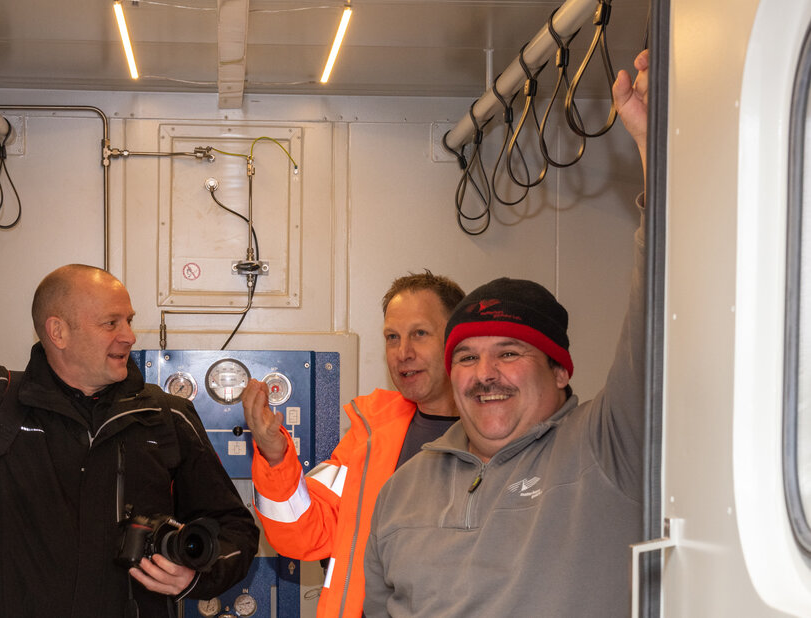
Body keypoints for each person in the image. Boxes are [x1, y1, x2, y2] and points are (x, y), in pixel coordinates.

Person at [0, 160, 259, 618]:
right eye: (111, 322)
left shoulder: (165, 418)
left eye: (129, 320)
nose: (129, 336)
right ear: (58, 331)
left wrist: (198, 575)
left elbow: (236, 531)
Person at [362, 49, 651, 617]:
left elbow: (660, 313)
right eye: (465, 356)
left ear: (560, 369)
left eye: (510, 353)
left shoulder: (608, 446)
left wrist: (661, 154)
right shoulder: (405, 486)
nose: (483, 375)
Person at [241, 271, 465, 618]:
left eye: (420, 334)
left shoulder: (496, 435)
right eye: (392, 337)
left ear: (456, 340)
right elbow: (303, 534)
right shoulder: (372, 434)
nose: (402, 352)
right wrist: (275, 456)